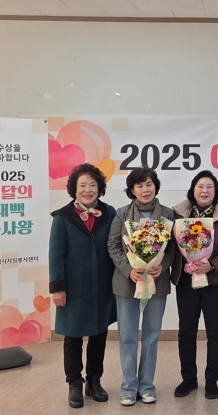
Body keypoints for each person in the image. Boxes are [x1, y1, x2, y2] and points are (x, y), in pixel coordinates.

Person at [49, 163, 117, 409]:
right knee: (73, 337)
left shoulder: (109, 213)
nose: (88, 190)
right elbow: (56, 255)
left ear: (99, 188)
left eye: (92, 185)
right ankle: (75, 383)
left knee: (99, 334)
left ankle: (94, 380)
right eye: (83, 185)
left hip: (102, 286)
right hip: (74, 288)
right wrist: (58, 287)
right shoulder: (63, 218)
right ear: (74, 189)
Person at [107, 167, 177, 406]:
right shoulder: (121, 214)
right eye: (140, 185)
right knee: (127, 336)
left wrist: (162, 266)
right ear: (132, 190)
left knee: (152, 336)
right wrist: (129, 269)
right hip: (127, 283)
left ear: (155, 186)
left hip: (157, 282)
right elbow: (113, 246)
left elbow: (173, 248)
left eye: (149, 184)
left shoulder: (168, 214)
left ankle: (147, 386)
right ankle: (128, 387)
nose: (145, 189)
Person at [172, 170, 218, 400]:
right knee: (186, 331)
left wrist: (211, 265)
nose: (204, 190)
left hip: (216, 282)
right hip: (186, 281)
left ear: (216, 191)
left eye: (209, 186)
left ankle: (211, 380)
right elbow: (171, 247)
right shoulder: (178, 215)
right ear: (193, 190)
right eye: (200, 186)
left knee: (215, 331)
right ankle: (188, 379)